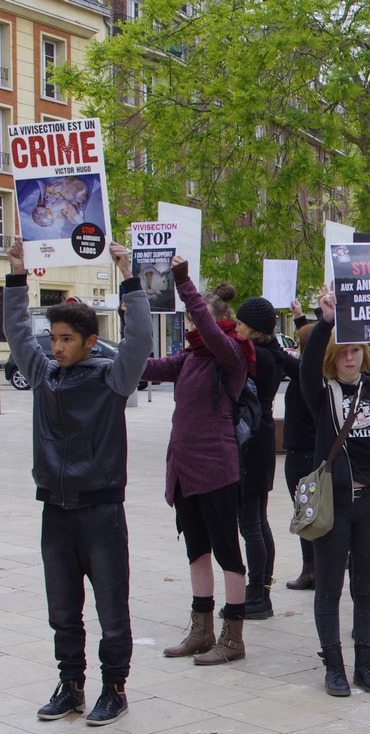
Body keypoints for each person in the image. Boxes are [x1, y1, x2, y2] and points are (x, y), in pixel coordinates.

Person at [3, 239, 151, 725]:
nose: (56, 346)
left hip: (101, 512)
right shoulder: (44, 376)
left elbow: (140, 341)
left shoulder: (112, 378)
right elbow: (18, 334)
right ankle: (70, 684)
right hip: (56, 510)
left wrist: (128, 277)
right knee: (63, 610)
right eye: (54, 338)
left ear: (89, 341)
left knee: (111, 609)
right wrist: (16, 275)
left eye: (66, 338)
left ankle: (115, 688)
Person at [300, 288, 370, 697]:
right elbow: (309, 364)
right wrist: (326, 321)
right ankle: (334, 666)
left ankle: (364, 663)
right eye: (343, 351)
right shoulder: (321, 393)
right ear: (334, 357)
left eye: (357, 351)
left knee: (368, 588)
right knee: (329, 588)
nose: (350, 358)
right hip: (336, 506)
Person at [147, 260, 255, 666]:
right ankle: (201, 629)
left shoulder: (232, 356)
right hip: (185, 471)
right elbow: (146, 368)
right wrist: (132, 323)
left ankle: (233, 635)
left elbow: (209, 331)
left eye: (197, 319)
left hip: (217, 470)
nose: (192, 328)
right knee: (196, 551)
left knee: (228, 551)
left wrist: (183, 283)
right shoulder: (190, 357)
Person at [231, 296, 286, 618]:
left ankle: (257, 594)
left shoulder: (258, 356)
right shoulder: (272, 352)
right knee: (258, 520)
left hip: (252, 440)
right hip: (261, 437)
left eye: (240, 324)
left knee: (250, 523)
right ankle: (260, 592)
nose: (236, 329)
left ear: (253, 329)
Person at [282, 300, 318, 592]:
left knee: (305, 512)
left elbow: (278, 354)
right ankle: (315, 567)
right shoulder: (318, 372)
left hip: (301, 452)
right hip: (310, 450)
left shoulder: (306, 373)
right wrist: (300, 317)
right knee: (311, 511)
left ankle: (311, 570)